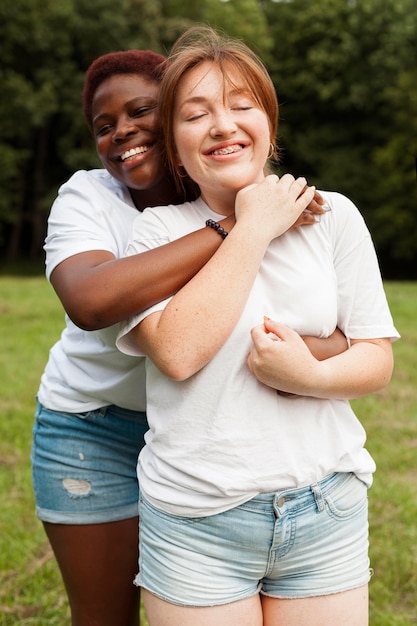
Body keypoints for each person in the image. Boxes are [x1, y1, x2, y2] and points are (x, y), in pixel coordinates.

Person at [31, 48, 336, 626]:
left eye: (140, 111)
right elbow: (90, 303)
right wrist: (238, 228)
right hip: (93, 430)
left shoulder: (240, 190)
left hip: (200, 430)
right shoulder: (91, 197)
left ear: (174, 119)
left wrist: (322, 356)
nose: (121, 132)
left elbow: (316, 329)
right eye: (103, 126)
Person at [117, 26, 400, 626]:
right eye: (197, 115)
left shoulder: (334, 217)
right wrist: (253, 225)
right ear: (174, 144)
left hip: (326, 508)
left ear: (269, 124)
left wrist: (309, 375)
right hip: (196, 521)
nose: (223, 125)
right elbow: (179, 352)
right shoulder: (153, 237)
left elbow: (376, 355)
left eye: (242, 106)